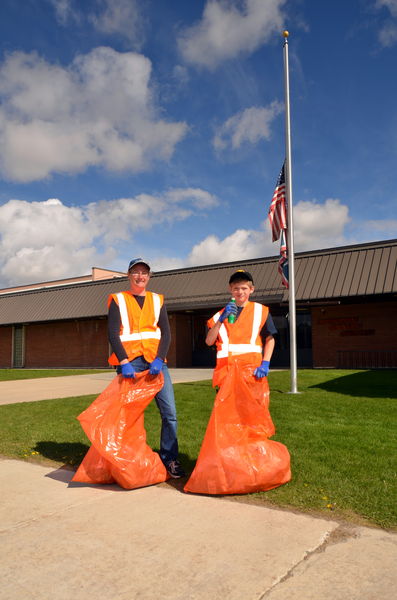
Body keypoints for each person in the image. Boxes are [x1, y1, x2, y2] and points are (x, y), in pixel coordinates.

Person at [107, 258, 185, 479]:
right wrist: (123, 362)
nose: (140, 276)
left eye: (144, 273)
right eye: (136, 272)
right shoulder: (118, 299)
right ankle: (127, 459)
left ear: (149, 277)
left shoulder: (157, 300)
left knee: (169, 413)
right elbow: (113, 333)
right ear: (128, 275)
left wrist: (160, 358)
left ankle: (169, 459)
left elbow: (166, 333)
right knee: (128, 415)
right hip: (130, 363)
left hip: (156, 363)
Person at [205, 269, 277, 387]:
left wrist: (265, 363)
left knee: (252, 406)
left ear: (251, 289)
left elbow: (270, 339)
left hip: (252, 373)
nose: (240, 292)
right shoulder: (219, 315)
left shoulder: (260, 311)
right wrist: (220, 321)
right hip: (226, 374)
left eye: (244, 288)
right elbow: (209, 342)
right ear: (231, 290)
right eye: (236, 288)